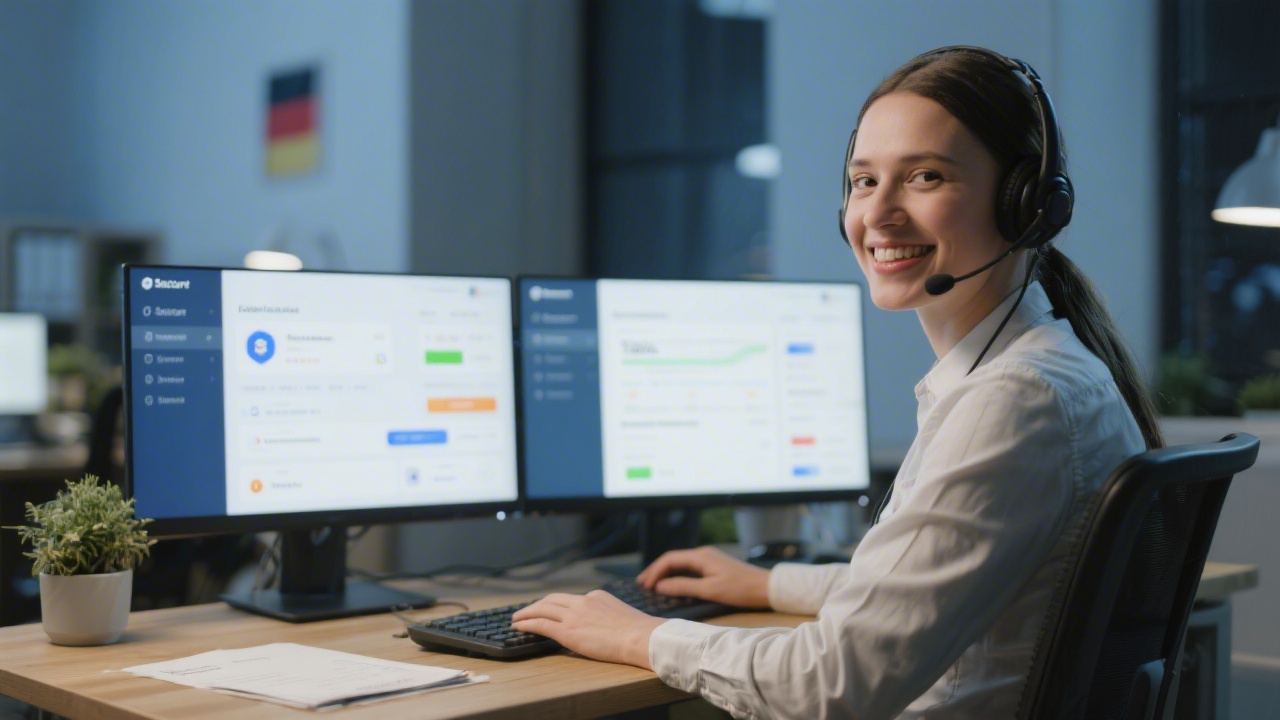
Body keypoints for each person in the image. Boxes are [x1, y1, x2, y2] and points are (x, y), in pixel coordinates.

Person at [512, 46, 1163, 719]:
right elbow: (913, 594)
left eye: (926, 177)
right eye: (863, 180)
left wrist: (639, 635)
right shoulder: (1046, 369)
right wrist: (770, 583)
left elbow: (834, 682)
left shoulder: (1014, 400)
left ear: (1025, 202)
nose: (877, 213)